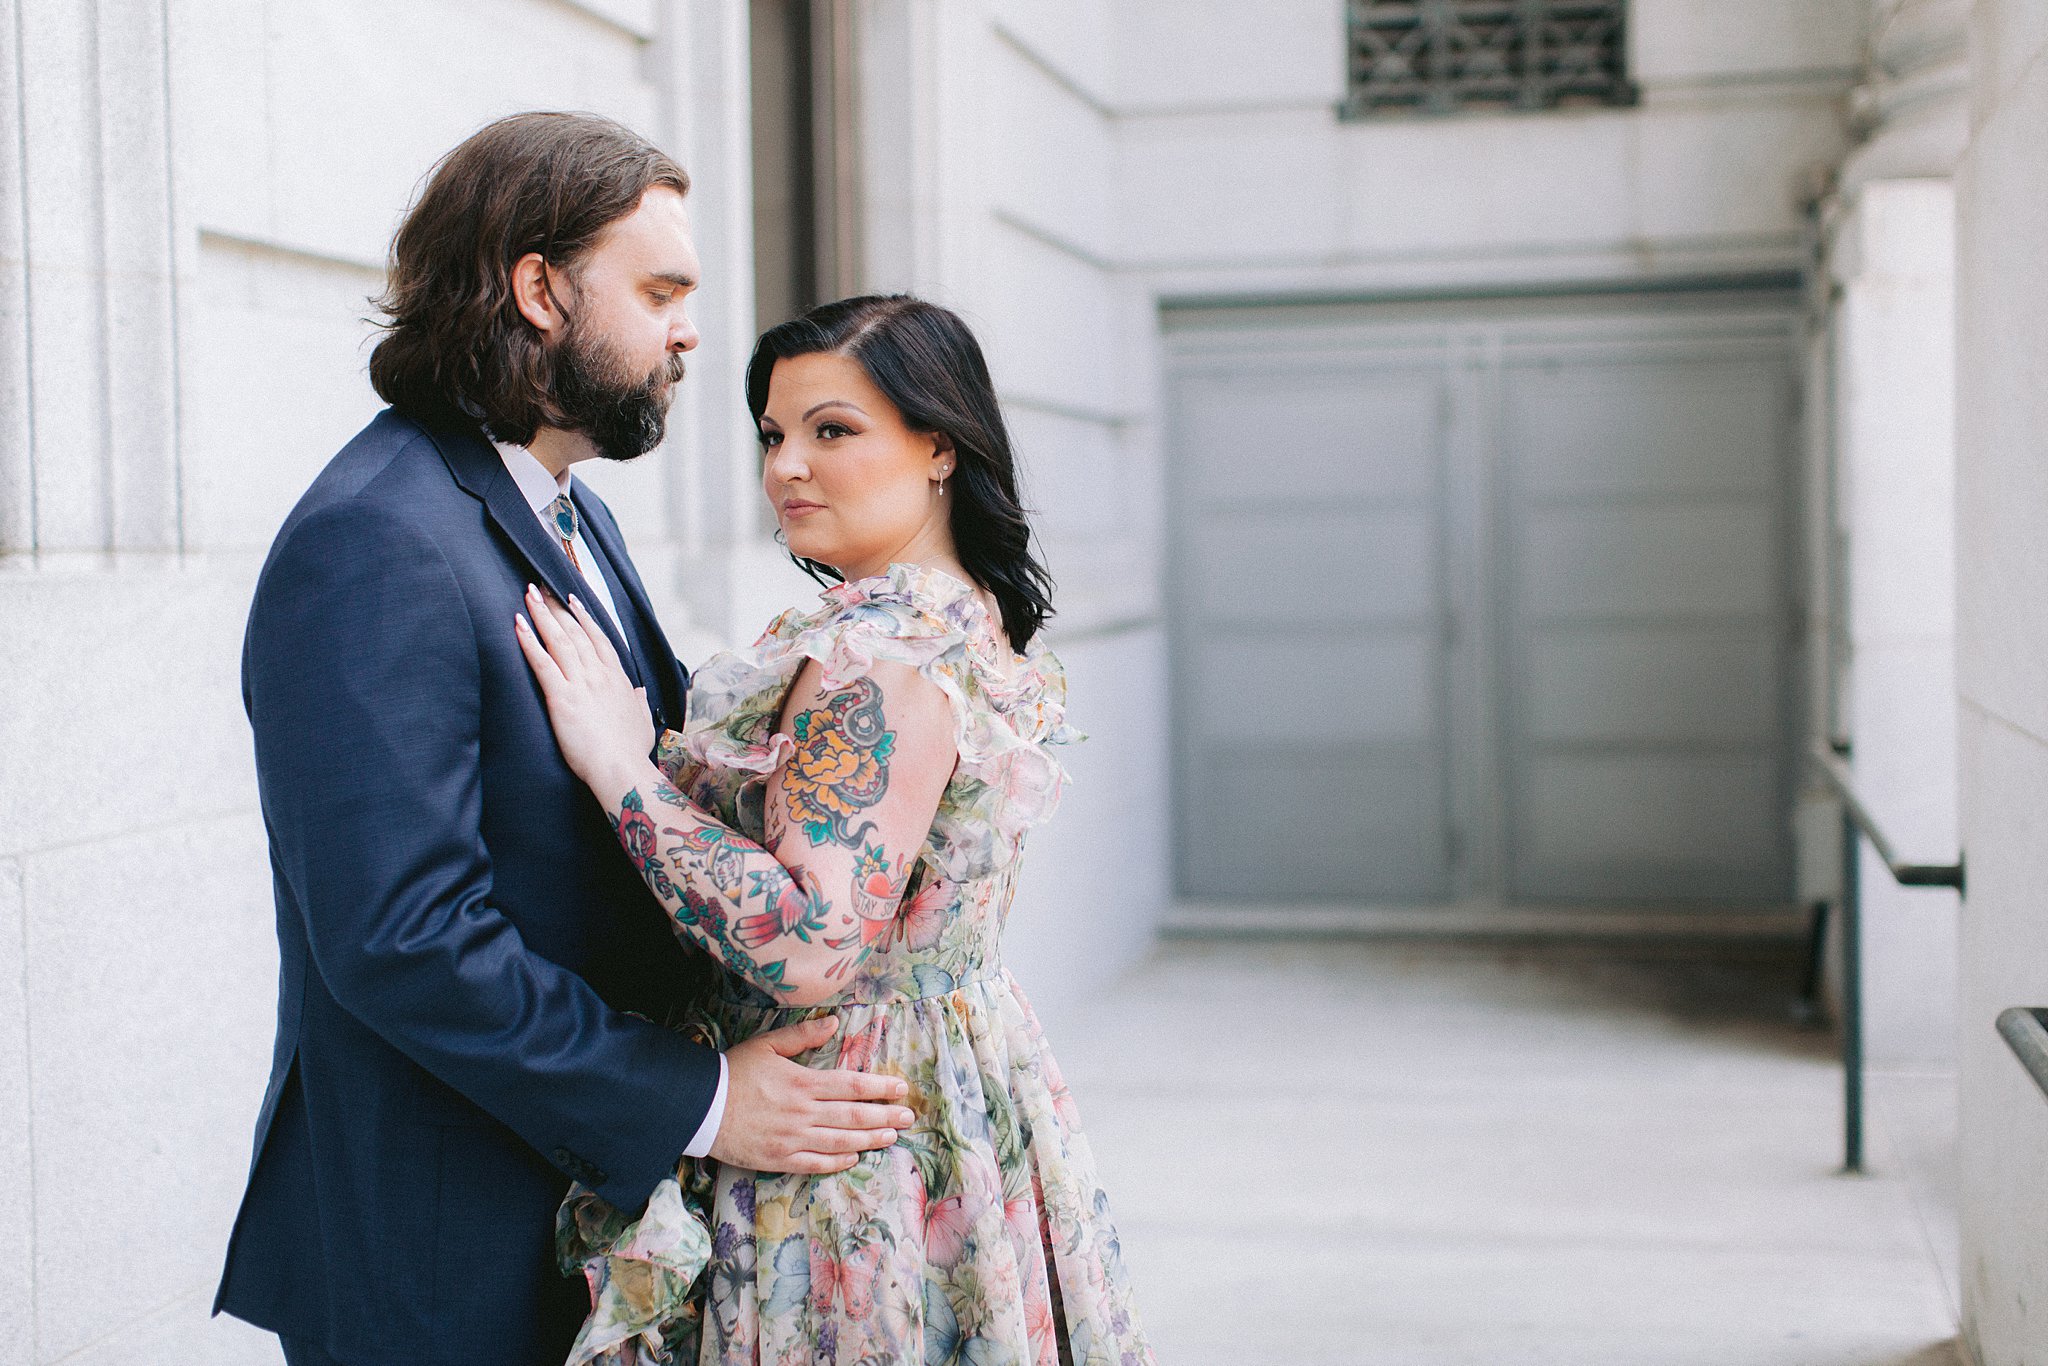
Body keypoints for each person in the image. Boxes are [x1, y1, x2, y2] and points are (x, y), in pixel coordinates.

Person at [214, 113, 912, 1366]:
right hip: (447, 1252)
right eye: (658, 291)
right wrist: (698, 1103)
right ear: (538, 290)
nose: (690, 331)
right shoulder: (375, 540)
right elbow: (401, 937)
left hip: (570, 1220)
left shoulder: (563, 508)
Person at [517, 294, 1155, 1365]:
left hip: (839, 1123)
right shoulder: (957, 611)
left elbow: (812, 939)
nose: (786, 468)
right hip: (938, 1077)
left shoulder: (885, 647)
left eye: (832, 429)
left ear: (937, 446)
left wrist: (621, 768)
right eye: (772, 433)